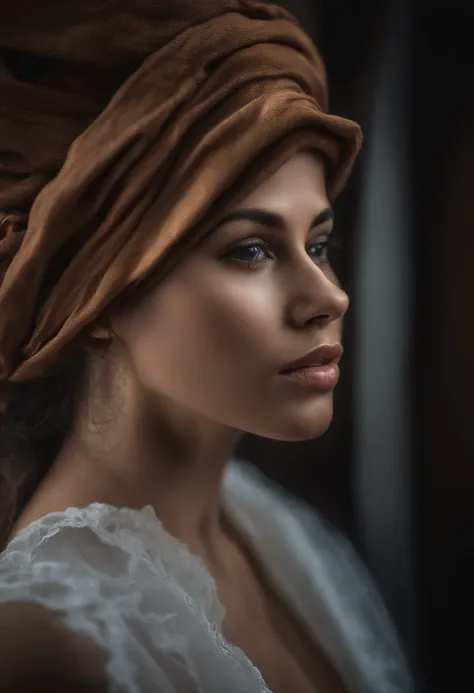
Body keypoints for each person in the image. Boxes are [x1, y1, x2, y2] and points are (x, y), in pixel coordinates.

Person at [0, 1, 413, 692]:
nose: (330, 297)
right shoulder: (45, 641)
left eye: (318, 244)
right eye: (251, 249)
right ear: (97, 295)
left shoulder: (280, 533)